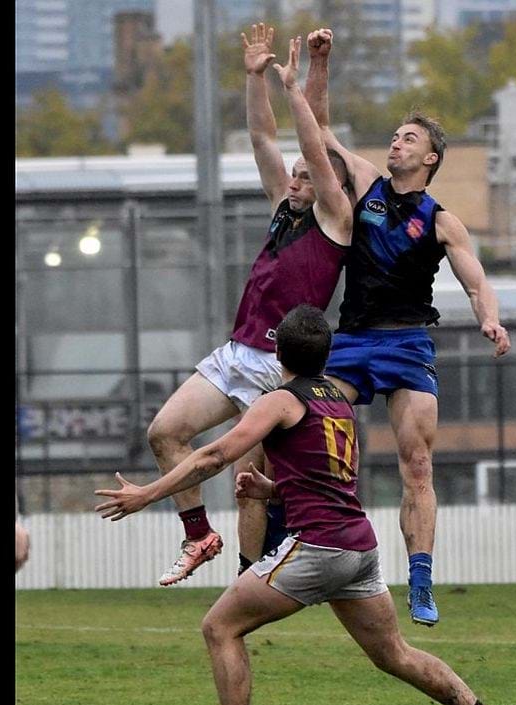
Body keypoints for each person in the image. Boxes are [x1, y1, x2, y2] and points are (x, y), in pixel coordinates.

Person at [95, 304, 516, 705]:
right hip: (358, 548)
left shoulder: (280, 400)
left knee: (220, 628)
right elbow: (327, 483)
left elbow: (214, 456)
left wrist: (147, 494)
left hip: (318, 549)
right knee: (394, 654)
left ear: (277, 351)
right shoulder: (337, 400)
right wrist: (271, 490)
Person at [298, 28, 511, 626]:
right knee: (305, 428)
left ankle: (420, 582)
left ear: (430, 158)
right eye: (394, 136)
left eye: (408, 138)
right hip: (350, 341)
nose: (396, 142)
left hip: (408, 343)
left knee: (417, 466)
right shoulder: (366, 184)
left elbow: (475, 281)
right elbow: (317, 129)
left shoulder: (442, 221)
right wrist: (320, 62)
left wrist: (491, 320)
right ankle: (292, 537)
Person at [144, 23, 352, 585]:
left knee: (247, 486)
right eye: (295, 175)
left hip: (278, 369)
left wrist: (298, 86)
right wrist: (255, 77)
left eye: (306, 176)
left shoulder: (336, 220)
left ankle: (250, 579)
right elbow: (263, 138)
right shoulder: (284, 206)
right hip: (237, 353)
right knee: (164, 432)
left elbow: (315, 148)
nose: (296, 180)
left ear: (329, 186)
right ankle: (198, 535)